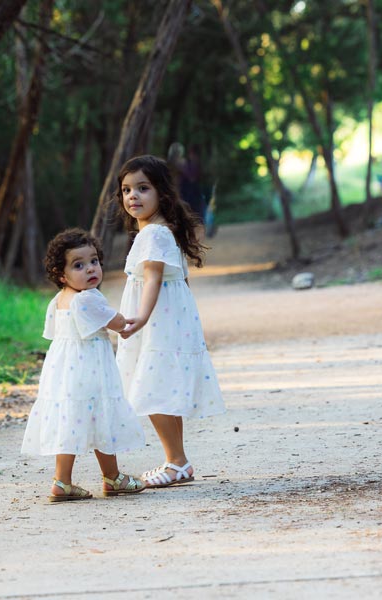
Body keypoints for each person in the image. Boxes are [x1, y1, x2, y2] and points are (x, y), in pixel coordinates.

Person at [115, 155, 225, 488]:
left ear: (161, 193)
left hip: (158, 320)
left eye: (142, 188)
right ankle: (178, 461)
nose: (133, 196)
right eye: (126, 190)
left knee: (151, 388)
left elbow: (153, 279)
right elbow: (181, 282)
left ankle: (177, 460)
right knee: (160, 387)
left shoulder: (154, 235)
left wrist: (142, 318)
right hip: (170, 317)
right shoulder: (159, 230)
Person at [21, 228, 146, 502]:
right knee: (100, 417)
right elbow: (116, 322)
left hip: (63, 370)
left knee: (71, 421)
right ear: (61, 274)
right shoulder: (88, 298)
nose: (90, 269)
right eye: (79, 265)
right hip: (89, 369)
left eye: (94, 261)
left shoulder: (59, 299)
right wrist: (127, 322)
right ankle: (112, 477)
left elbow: (57, 334)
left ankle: (62, 481)